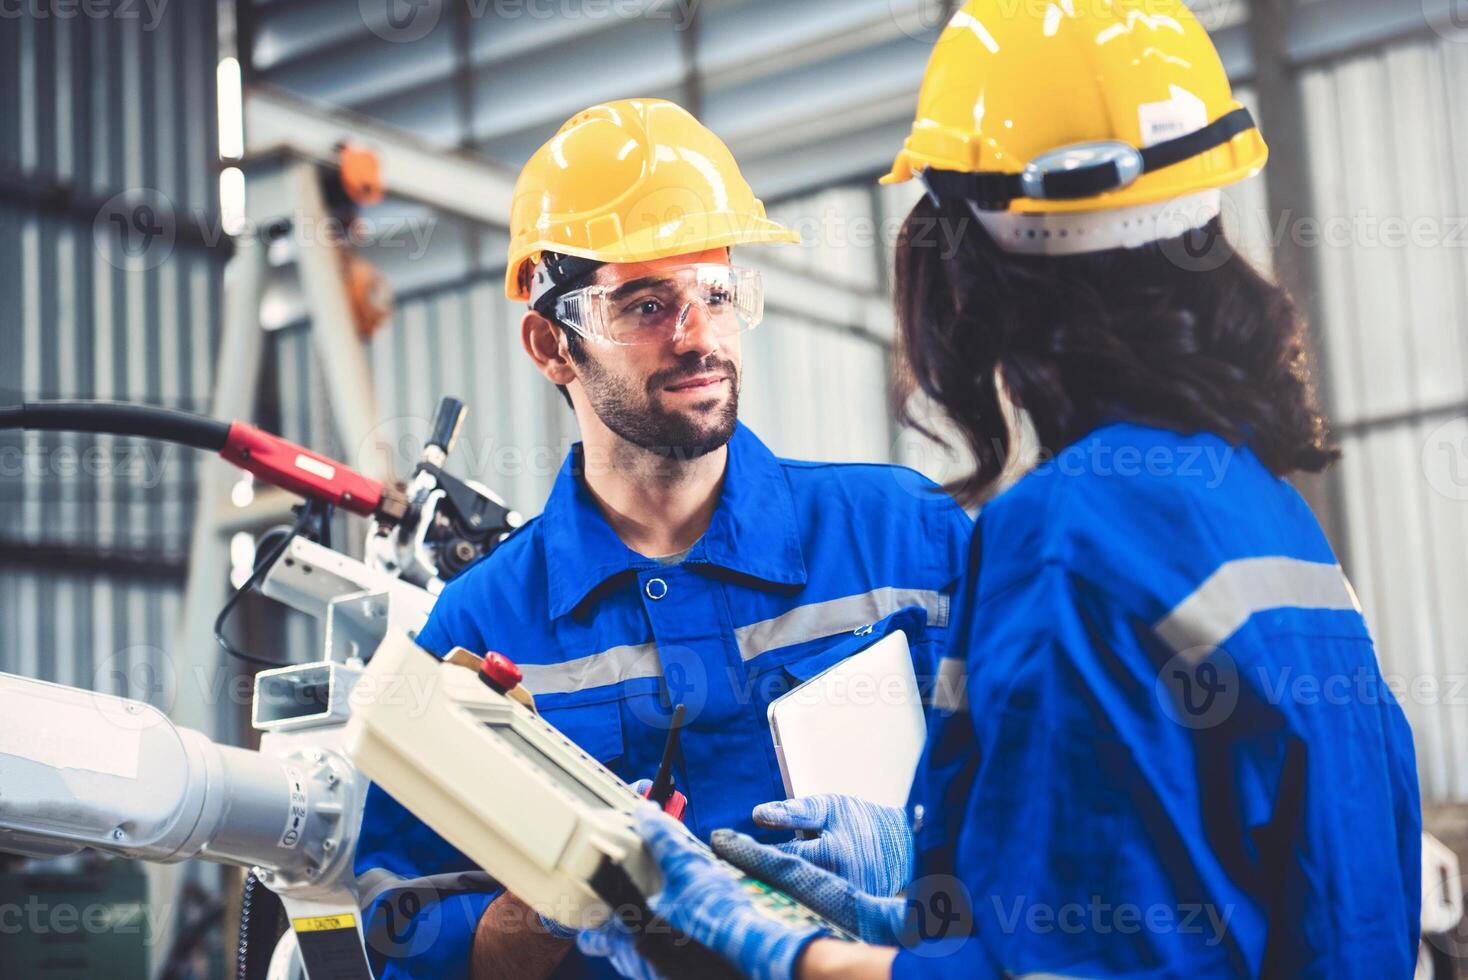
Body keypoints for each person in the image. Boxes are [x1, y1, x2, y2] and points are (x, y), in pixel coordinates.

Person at [581, 3, 1423, 978]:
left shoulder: (1070, 539)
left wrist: (799, 957)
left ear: (971, 259)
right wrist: (937, 896)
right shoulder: (1262, 514)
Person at [352, 98, 974, 980]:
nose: (699, 338)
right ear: (550, 346)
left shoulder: (905, 538)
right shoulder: (480, 625)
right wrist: (549, 907)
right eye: (646, 305)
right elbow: (397, 929)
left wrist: (920, 853)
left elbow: (1057, 816)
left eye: (716, 296)